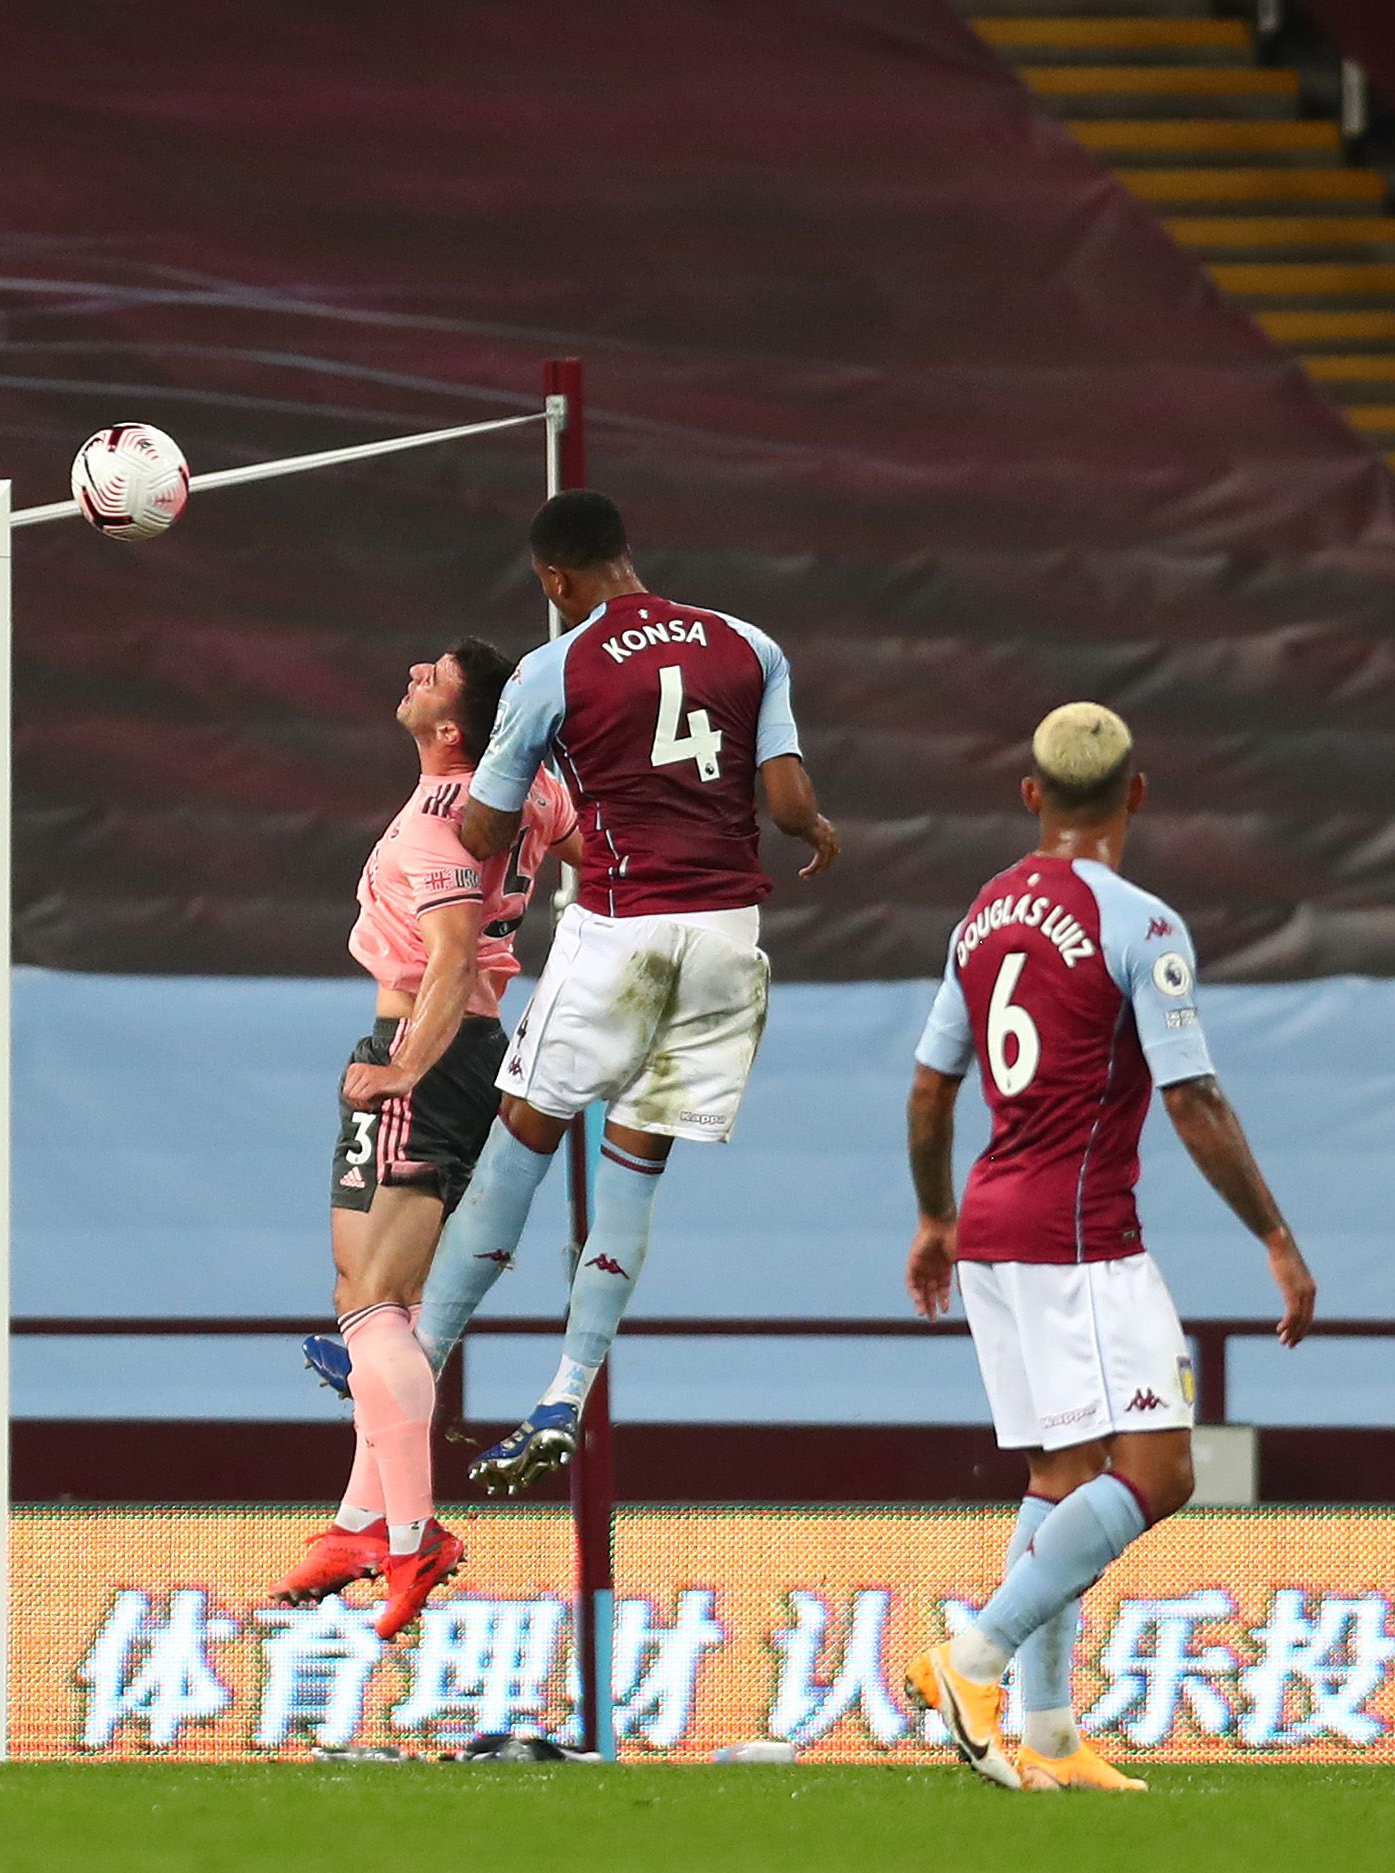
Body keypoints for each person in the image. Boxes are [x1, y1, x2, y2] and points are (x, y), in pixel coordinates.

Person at [900, 704, 1312, 1791]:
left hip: (990, 1226)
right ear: (1136, 794)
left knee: (1061, 1471)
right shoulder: (1143, 924)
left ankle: (1041, 1732)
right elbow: (1193, 1097)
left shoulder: (980, 915)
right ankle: (972, 1654)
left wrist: (936, 1216)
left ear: (1031, 796)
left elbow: (932, 1085)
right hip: (1081, 1237)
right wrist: (1273, 1235)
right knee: (1160, 1470)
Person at [412, 489, 843, 1493]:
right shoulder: (747, 643)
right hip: (729, 938)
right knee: (635, 1168)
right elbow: (785, 802)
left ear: (554, 580)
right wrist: (818, 832)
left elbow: (481, 833)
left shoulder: (552, 668)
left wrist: (493, 782)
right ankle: (566, 1388)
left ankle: (418, 1358)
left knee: (523, 1129)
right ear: (628, 553)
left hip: (623, 926)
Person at [271, 641, 574, 1640]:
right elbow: (586, 845)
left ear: (452, 730)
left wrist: (402, 1064)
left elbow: (448, 953)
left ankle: (410, 1535)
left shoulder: (432, 827)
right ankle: (360, 1522)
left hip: (426, 1046)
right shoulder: (532, 793)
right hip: (478, 1052)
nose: (410, 669)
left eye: (433, 675)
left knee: (370, 1302)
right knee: (377, 1304)